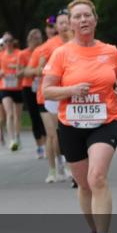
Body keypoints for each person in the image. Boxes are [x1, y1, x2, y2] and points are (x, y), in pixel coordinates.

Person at [42, 0, 117, 233]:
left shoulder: (110, 51)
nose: (83, 20)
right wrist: (70, 90)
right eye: (77, 17)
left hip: (105, 121)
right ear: (70, 23)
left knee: (97, 177)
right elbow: (46, 90)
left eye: (87, 15)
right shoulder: (62, 54)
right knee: (84, 184)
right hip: (71, 126)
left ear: (95, 19)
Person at [27, 9, 72, 183]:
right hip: (48, 95)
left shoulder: (79, 43)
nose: (64, 26)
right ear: (55, 26)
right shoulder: (47, 47)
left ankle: (68, 165)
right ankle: (53, 170)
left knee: (67, 133)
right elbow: (31, 70)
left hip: (69, 94)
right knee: (52, 134)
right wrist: (41, 69)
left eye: (66, 22)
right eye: (60, 23)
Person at [19, 28, 46, 159]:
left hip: (42, 86)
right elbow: (20, 72)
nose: (37, 40)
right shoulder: (23, 54)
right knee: (34, 117)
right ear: (29, 39)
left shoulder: (44, 51)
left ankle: (47, 145)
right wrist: (36, 70)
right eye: (34, 38)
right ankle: (39, 146)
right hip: (28, 87)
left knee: (44, 116)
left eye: (39, 37)